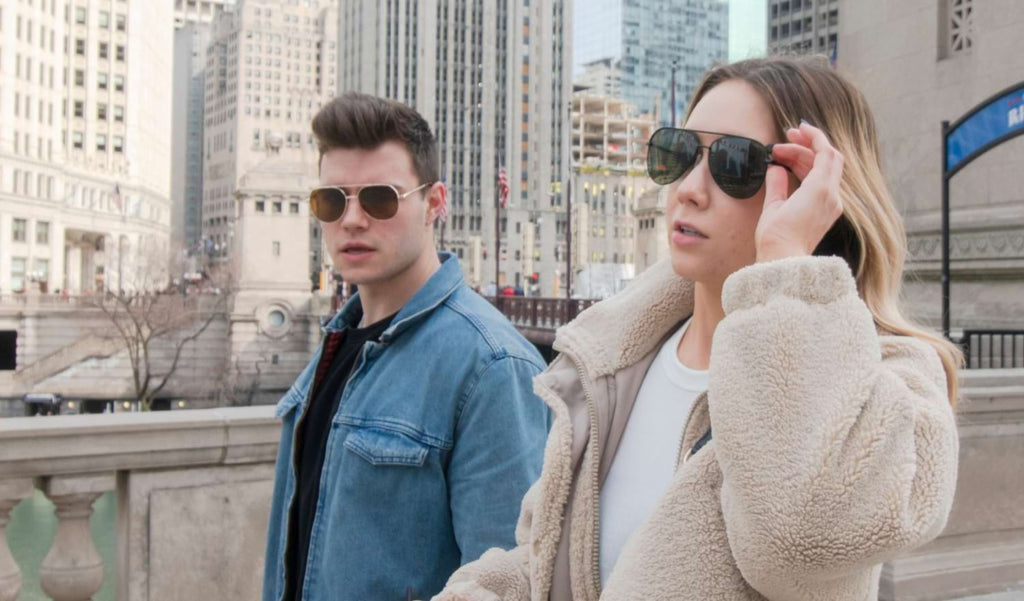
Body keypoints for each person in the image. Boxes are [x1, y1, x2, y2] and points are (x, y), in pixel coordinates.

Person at [435, 55, 961, 601]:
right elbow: (549, 564)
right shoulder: (612, 361)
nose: (689, 187)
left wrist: (783, 263)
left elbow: (799, 544)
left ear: (819, 193)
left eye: (734, 163)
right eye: (679, 154)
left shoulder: (892, 382)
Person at [261, 92, 549, 601]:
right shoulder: (335, 346)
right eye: (331, 200)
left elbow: (507, 584)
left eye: (379, 198)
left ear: (434, 202)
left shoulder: (493, 367)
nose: (351, 220)